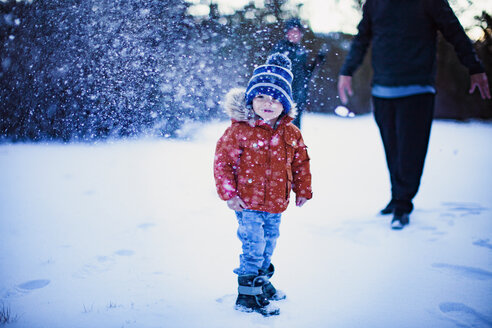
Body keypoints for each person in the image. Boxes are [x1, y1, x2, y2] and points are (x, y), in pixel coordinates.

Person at [337, 0, 491, 230]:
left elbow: (455, 32)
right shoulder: (375, 3)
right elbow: (362, 38)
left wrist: (475, 67)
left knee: (411, 151)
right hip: (382, 89)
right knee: (393, 148)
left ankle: (403, 204)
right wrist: (347, 71)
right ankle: (397, 196)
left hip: (417, 88)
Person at [214, 53, 312, 316]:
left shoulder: (291, 133)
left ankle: (262, 283)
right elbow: (222, 162)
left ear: (285, 104)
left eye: (275, 99)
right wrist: (229, 194)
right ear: (251, 100)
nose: (268, 104)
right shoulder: (239, 130)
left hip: (276, 202)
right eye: (261, 97)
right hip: (247, 202)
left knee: (269, 243)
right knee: (253, 247)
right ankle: (246, 295)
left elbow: (300, 162)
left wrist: (302, 189)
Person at [270, 18, 327, 129]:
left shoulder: (301, 51)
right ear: (287, 33)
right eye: (292, 31)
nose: (295, 34)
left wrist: (317, 62)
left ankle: (294, 146)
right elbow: (272, 72)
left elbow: (306, 75)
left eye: (298, 32)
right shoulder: (280, 48)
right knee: (279, 130)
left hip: (298, 99)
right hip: (283, 98)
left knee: (294, 130)